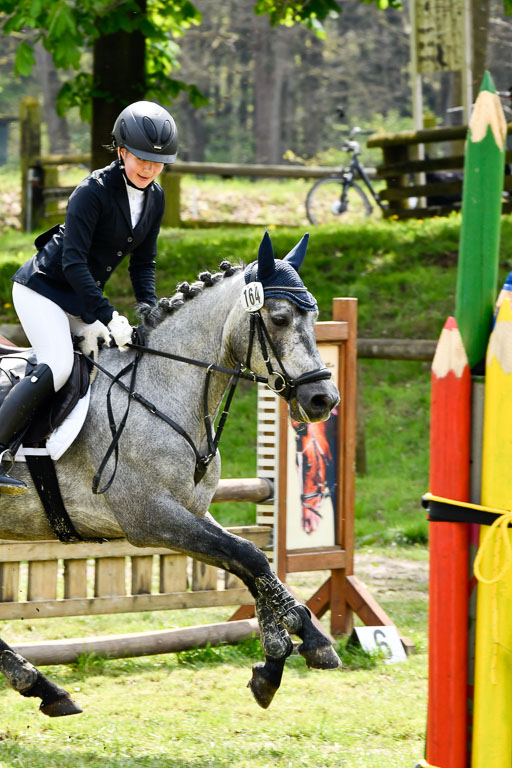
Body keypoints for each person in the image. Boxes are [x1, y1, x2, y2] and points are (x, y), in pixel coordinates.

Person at [0, 101, 178, 495]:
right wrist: (108, 314)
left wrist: (146, 311)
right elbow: (73, 262)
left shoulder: (156, 198)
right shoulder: (92, 191)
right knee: (60, 363)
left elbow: (143, 264)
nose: (149, 168)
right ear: (121, 151)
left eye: (158, 162)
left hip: (79, 300)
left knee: (112, 358)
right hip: (42, 290)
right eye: (142, 159)